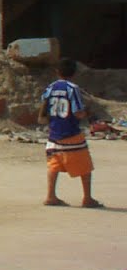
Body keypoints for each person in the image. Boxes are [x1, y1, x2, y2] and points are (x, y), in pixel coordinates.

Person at [39, 57, 102, 208]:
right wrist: (88, 113)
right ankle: (87, 198)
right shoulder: (73, 89)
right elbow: (78, 113)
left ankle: (50, 196)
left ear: (57, 72)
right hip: (71, 134)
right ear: (75, 72)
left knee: (54, 165)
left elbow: (44, 106)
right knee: (85, 166)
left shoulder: (51, 87)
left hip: (54, 134)